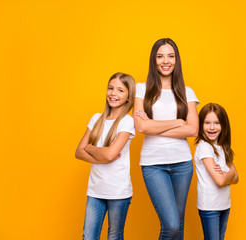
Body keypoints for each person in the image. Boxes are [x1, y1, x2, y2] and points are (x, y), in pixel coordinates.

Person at [134, 38, 199, 239]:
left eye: (171, 56)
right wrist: (178, 122)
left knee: (178, 225)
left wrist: (154, 127)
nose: (166, 61)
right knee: (170, 225)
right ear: (153, 60)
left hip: (182, 164)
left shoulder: (187, 92)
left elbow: (193, 130)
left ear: (176, 60)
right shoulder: (141, 89)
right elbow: (141, 126)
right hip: (154, 165)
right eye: (160, 56)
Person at [75, 72, 136, 240]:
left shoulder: (127, 122)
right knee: (88, 237)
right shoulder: (96, 119)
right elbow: (78, 152)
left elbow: (109, 154)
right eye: (110, 88)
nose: (113, 94)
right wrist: (103, 154)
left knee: (114, 237)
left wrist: (90, 148)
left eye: (120, 90)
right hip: (95, 190)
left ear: (128, 97)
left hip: (118, 192)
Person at [194, 103, 239, 240]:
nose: (212, 127)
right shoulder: (204, 147)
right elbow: (220, 180)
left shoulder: (223, 148)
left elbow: (237, 179)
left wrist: (228, 175)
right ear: (200, 124)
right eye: (207, 123)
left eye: (217, 123)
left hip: (224, 204)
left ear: (223, 126)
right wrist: (229, 173)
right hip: (210, 206)